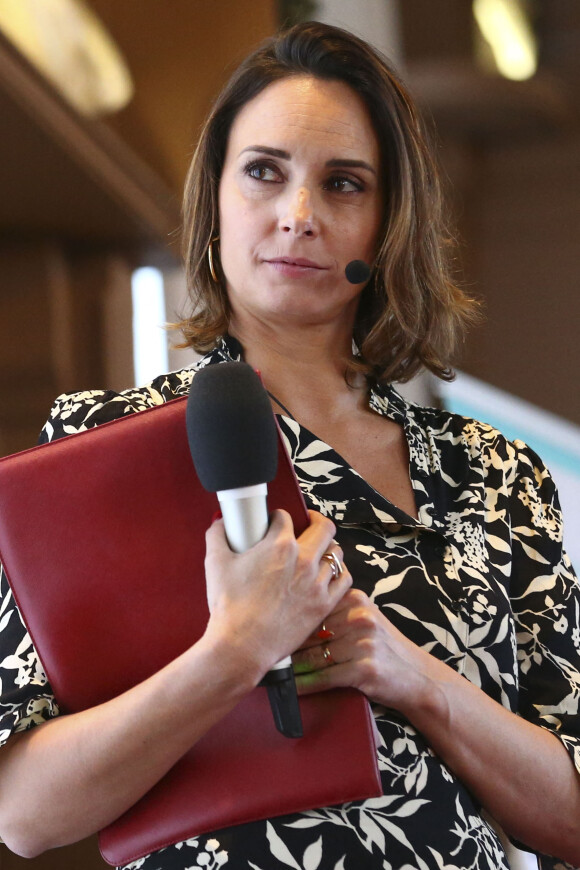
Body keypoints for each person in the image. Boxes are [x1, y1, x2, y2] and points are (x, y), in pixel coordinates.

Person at [0, 20, 579, 870]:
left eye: (344, 184)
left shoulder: (497, 473)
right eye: (264, 172)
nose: (299, 216)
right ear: (216, 204)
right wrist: (234, 652)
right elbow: (21, 813)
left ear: (386, 231)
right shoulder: (97, 445)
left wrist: (412, 676)